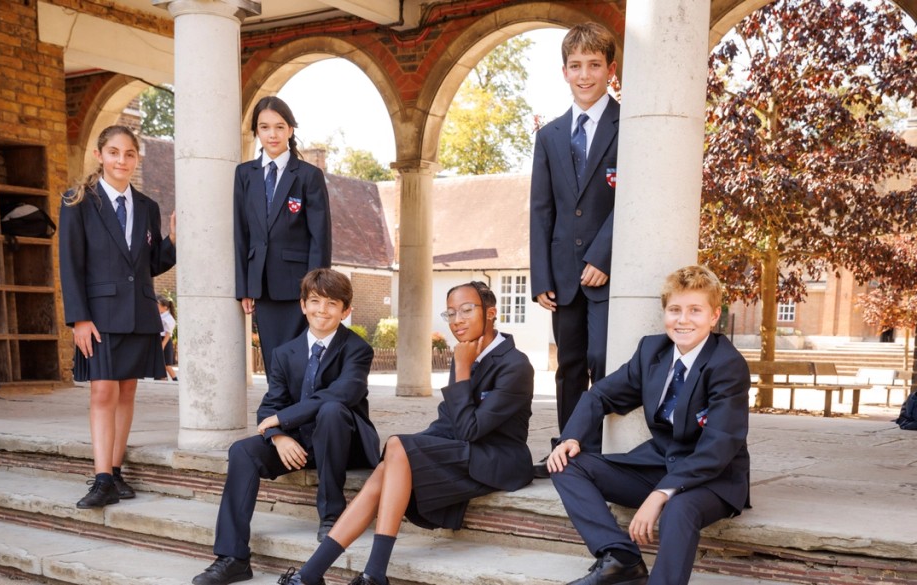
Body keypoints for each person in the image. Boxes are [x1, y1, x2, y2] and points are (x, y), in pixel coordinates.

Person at [276, 281, 535, 585]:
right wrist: (411, 452)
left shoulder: (516, 365)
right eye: (450, 313)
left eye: (467, 310)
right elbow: (447, 423)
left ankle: (365, 573)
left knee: (399, 448)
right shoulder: (467, 351)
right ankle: (316, 574)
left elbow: (470, 429)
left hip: (499, 458)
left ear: (491, 313)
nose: (457, 320)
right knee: (393, 461)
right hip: (465, 449)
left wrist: (461, 371)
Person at [547, 265, 750, 585]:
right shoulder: (651, 351)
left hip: (714, 477)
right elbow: (600, 394)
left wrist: (659, 495)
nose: (683, 320)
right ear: (665, 313)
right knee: (563, 463)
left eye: (695, 310)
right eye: (675, 310)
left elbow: (718, 448)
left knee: (678, 508)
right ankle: (621, 559)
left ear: (713, 316)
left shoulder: (727, 365)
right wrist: (572, 436)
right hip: (658, 463)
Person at [192, 268, 380, 585]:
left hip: (344, 444)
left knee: (333, 409)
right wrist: (278, 435)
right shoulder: (284, 353)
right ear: (303, 305)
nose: (323, 310)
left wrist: (283, 419)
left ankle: (332, 514)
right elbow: (271, 404)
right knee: (242, 451)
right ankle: (233, 557)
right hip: (298, 444)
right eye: (316, 301)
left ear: (345, 310)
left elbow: (345, 393)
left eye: (332, 303)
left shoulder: (357, 349)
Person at [59, 125, 177, 509]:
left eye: (128, 154)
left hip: (139, 313)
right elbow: (70, 263)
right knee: (102, 391)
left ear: (136, 158)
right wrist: (79, 318)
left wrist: (173, 241)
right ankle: (101, 478)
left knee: (127, 391)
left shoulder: (147, 206)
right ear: (100, 155)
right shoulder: (77, 201)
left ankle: (115, 469)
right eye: (114, 152)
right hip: (99, 314)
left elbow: (150, 263)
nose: (121, 160)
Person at [529, 22, 621, 475]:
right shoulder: (549, 136)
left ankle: (602, 448)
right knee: (567, 365)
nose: (585, 75)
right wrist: (541, 278)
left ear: (610, 69)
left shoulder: (630, 125)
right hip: (562, 275)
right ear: (564, 71)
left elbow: (631, 200)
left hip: (608, 271)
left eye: (594, 65)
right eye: (576, 66)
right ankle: (569, 445)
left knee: (602, 360)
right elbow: (541, 211)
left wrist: (601, 258)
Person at [235, 96, 332, 379]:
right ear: (257, 132)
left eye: (279, 126)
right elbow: (241, 233)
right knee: (274, 361)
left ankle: (301, 418)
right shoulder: (244, 174)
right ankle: (281, 418)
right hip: (262, 287)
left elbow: (320, 237)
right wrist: (245, 286)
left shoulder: (308, 176)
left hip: (299, 287)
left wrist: (315, 291)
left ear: (290, 130)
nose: (272, 134)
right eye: (264, 127)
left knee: (301, 362)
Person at [157, 295, 178, 381]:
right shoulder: (162, 316)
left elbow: (168, 333)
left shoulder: (168, 318)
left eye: (158, 305)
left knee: (166, 363)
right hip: (160, 339)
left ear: (165, 307)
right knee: (161, 362)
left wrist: (163, 345)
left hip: (164, 340)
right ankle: (163, 378)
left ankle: (175, 379)